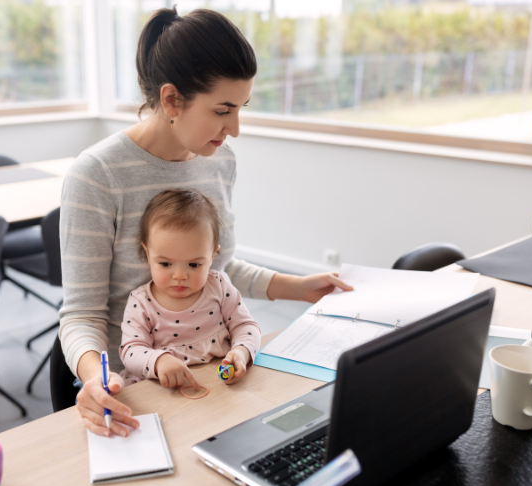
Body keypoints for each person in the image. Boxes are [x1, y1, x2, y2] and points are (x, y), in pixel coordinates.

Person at [60, 6, 352, 438]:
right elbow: (81, 315)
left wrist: (295, 287)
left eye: (241, 108)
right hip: (134, 387)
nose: (234, 128)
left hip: (214, 373)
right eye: (222, 110)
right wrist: (94, 376)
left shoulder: (219, 161)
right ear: (172, 99)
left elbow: (215, 268)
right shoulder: (97, 175)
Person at [120, 189, 260, 389]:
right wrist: (159, 361)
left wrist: (242, 352)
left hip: (218, 385)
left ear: (212, 256)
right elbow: (131, 351)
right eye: (166, 264)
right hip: (161, 389)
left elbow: (246, 326)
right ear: (147, 254)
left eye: (194, 265)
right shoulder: (140, 301)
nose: (180, 276)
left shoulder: (219, 287)